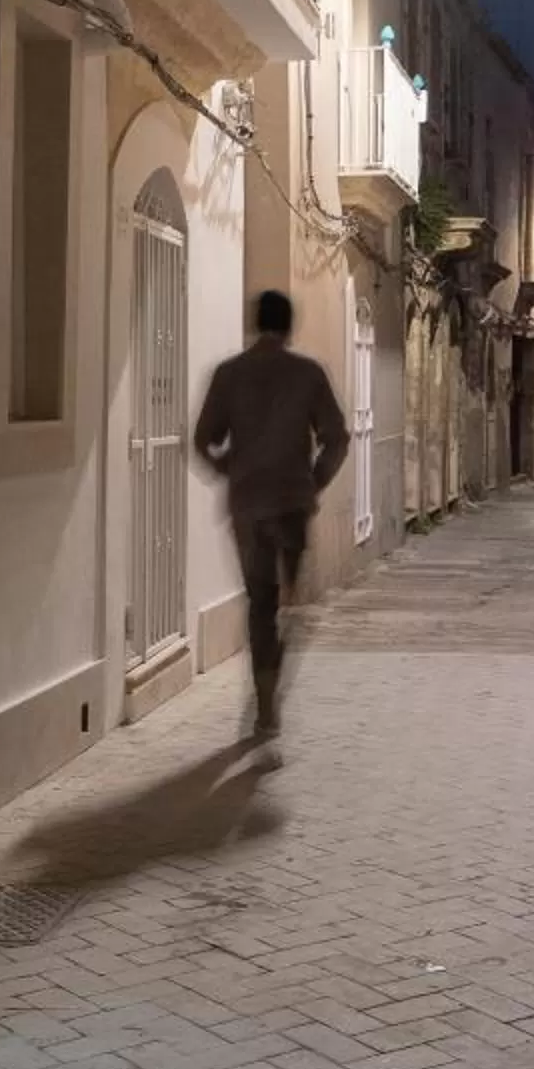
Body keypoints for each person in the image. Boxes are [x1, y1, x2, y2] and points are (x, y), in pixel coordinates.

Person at [193, 289, 349, 744]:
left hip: (248, 505)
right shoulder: (307, 374)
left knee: (260, 605)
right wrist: (313, 480)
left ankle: (264, 705)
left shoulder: (229, 374)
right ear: (288, 324)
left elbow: (204, 440)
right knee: (289, 603)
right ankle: (269, 690)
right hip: (291, 505)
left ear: (255, 322)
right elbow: (337, 438)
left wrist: (232, 470)